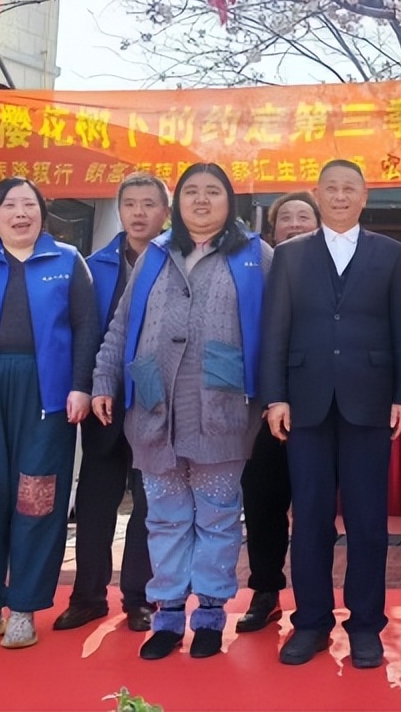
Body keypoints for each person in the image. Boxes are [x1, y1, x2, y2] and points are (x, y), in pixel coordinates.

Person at [91, 162, 272, 661]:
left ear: (230, 201)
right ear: (178, 202)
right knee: (165, 517)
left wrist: (276, 395)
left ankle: (210, 615)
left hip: (222, 406)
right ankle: (168, 614)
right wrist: (104, 380)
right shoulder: (154, 254)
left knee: (217, 517)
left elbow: (277, 330)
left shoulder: (255, 256)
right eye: (192, 191)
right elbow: (121, 325)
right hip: (155, 407)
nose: (201, 200)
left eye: (213, 192)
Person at [259, 159, 401, 669]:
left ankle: (366, 625)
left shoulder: (391, 254)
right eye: (332, 188)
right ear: (318, 194)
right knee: (309, 518)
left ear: (365, 196)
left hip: (370, 401)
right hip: (304, 401)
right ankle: (311, 622)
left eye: (351, 188)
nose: (341, 196)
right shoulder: (290, 255)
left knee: (368, 521)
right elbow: (275, 328)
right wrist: (274, 396)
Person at [0, 177, 101, 650]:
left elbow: (86, 326)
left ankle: (24, 609)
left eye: (29, 204)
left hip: (47, 397)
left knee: (38, 498)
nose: (20, 213)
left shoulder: (67, 261)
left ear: (43, 214)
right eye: (9, 205)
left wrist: (80, 386)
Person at [54, 172, 169, 634]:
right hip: (104, 398)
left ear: (165, 212)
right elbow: (82, 334)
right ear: (119, 210)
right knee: (96, 500)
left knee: (148, 502)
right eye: (130, 204)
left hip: (155, 400)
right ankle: (87, 596)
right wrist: (84, 386)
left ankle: (139, 598)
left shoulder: (176, 261)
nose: (138, 213)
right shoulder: (93, 266)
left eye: (149, 204)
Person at [235, 191, 320, 634]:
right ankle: (265, 591)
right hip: (263, 404)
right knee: (263, 502)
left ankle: (314, 602)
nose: (295, 224)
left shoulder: (333, 269)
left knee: (314, 509)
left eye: (304, 217)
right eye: (286, 217)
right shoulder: (256, 271)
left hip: (320, 407)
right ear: (272, 230)